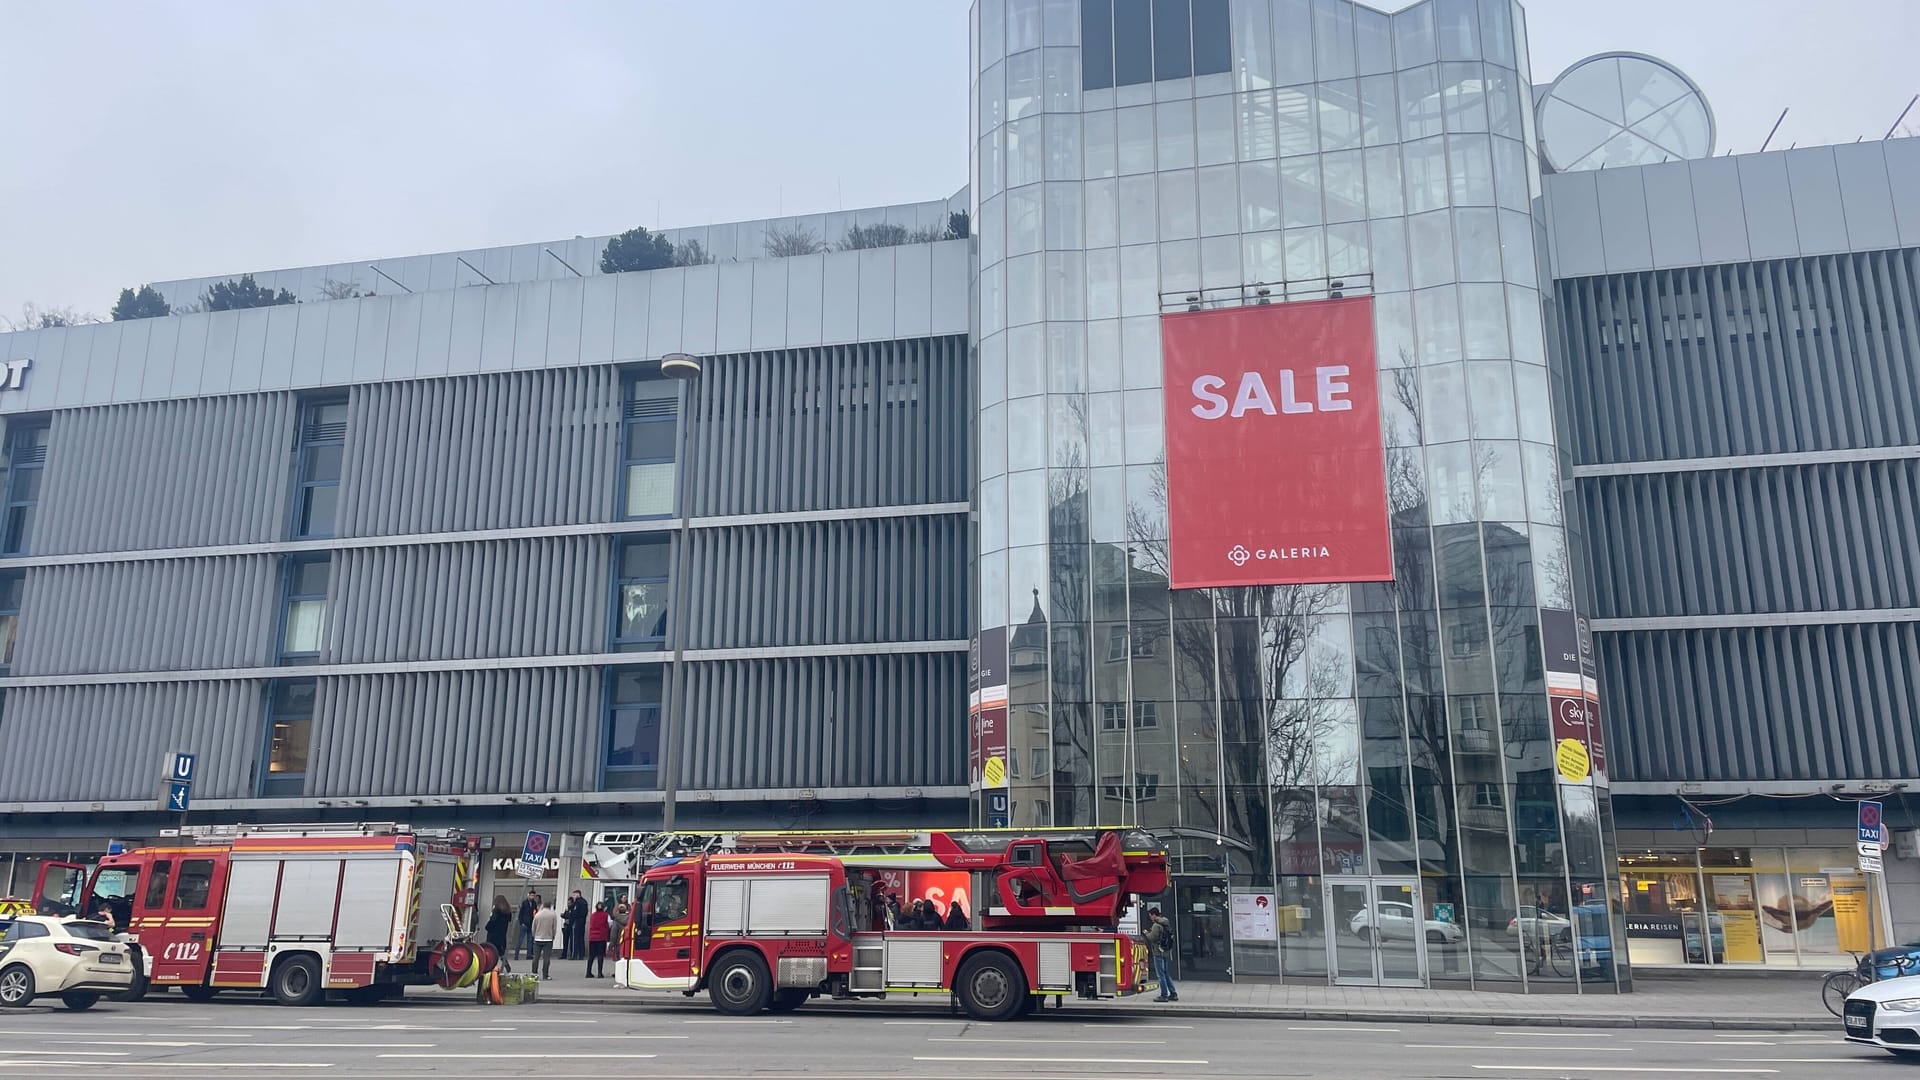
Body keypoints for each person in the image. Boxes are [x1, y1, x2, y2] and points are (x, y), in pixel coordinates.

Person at [1144, 907, 1178, 1002]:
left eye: (1150, 915)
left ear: (1154, 915)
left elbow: (1153, 938)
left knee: (1160, 974)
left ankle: (1164, 995)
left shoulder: (1156, 925)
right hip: (1166, 951)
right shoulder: (1165, 922)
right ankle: (1173, 993)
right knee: (1166, 973)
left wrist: (1147, 933)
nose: (1150, 917)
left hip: (1158, 952)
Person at [531, 895, 560, 980]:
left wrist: (534, 935)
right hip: (548, 938)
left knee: (536, 957)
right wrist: (553, 936)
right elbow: (554, 927)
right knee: (546, 958)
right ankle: (545, 975)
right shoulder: (553, 915)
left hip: (538, 938)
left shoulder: (538, 915)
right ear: (550, 906)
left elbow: (533, 926)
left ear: (543, 906)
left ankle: (534, 974)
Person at [485, 895, 513, 973]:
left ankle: (491, 966)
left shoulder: (496, 911)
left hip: (493, 935)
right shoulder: (507, 912)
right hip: (502, 934)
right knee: (501, 951)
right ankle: (505, 963)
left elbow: (492, 922)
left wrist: (487, 927)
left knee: (491, 951)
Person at [587, 901, 612, 978]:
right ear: (604, 908)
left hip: (592, 937)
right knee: (600, 955)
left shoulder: (592, 915)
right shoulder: (606, 915)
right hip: (601, 937)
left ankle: (588, 972)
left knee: (591, 956)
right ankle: (599, 973)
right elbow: (610, 923)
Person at [515, 889, 539, 960]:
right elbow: (521, 913)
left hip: (531, 923)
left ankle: (529, 955)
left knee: (530, 940)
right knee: (520, 939)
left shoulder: (534, 903)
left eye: (533, 896)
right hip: (524, 923)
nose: (532, 897)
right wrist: (521, 922)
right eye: (531, 895)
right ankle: (516, 954)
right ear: (528, 895)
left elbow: (534, 913)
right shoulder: (524, 903)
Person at [566, 890, 590, 961]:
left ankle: (574, 955)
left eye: (574, 895)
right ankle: (581, 954)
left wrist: (571, 919)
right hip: (582, 922)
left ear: (578, 894)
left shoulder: (578, 902)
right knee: (581, 939)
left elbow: (575, 912)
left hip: (577, 922)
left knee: (575, 939)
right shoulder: (584, 902)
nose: (573, 896)